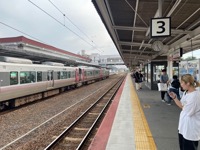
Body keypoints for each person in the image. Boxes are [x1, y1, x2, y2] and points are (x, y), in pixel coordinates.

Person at [169, 74, 200, 150]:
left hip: (191, 130)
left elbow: (188, 111)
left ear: (188, 83)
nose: (180, 85)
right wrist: (175, 98)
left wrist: (183, 106)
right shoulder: (187, 92)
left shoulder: (195, 96)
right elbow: (182, 105)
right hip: (183, 127)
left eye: (182, 83)